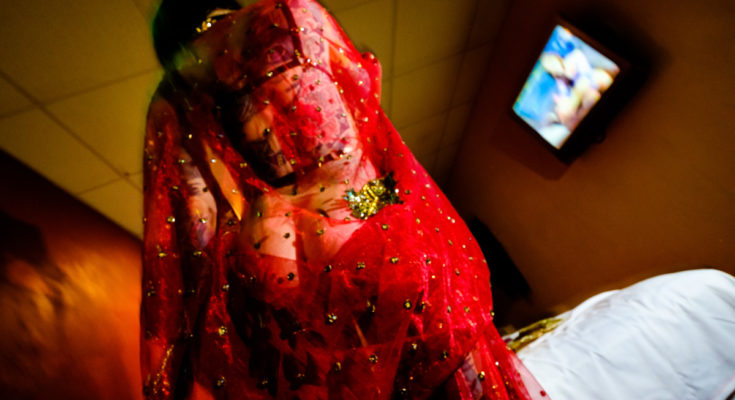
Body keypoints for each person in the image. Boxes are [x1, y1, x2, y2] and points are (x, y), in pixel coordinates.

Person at [141, 0, 547, 398]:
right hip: (374, 224)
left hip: (293, 258)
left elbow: (196, 230)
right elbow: (364, 98)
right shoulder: (294, 13)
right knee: (455, 359)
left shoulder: (178, 94)